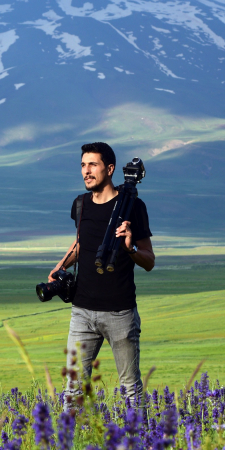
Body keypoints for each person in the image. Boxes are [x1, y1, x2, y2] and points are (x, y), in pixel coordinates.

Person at [49, 142, 155, 408]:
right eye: (83, 165)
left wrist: (128, 247)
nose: (86, 171)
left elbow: (149, 260)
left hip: (120, 312)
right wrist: (60, 266)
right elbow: (82, 243)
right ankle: (72, 446)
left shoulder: (133, 207)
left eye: (92, 164)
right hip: (82, 311)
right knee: (73, 391)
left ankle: (140, 446)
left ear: (109, 169)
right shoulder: (80, 204)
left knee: (131, 389)